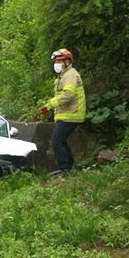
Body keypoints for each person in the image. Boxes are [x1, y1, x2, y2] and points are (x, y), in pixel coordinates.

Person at [39, 48, 86, 176]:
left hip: (71, 114)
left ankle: (65, 169)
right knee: (61, 140)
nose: (56, 64)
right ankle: (70, 168)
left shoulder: (70, 75)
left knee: (56, 141)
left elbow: (69, 94)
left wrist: (50, 104)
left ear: (67, 61)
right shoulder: (64, 75)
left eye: (59, 61)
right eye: (55, 62)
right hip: (67, 114)